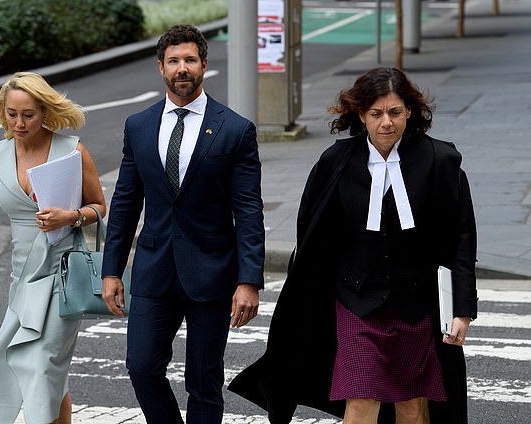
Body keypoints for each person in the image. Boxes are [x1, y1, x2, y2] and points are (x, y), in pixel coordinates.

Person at [229, 67, 478, 424]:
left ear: (410, 110)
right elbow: (311, 236)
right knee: (360, 401)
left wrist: (462, 308)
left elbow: (462, 238)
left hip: (417, 305)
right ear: (361, 115)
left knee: (412, 407)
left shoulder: (441, 162)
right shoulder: (336, 163)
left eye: (395, 112)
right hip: (356, 303)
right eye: (376, 114)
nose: (386, 123)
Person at [101, 24, 265, 423]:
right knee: (141, 368)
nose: (182, 68)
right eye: (173, 61)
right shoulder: (138, 126)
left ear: (204, 65)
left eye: (190, 60)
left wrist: (249, 281)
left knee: (203, 382)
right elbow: (125, 201)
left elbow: (248, 210)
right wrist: (111, 269)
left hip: (211, 272)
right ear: (161, 68)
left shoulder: (235, 129)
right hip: (155, 270)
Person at [0, 71, 106, 424]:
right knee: (43, 372)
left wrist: (71, 217)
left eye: (28, 114)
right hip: (22, 280)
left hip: (62, 275)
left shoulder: (72, 151)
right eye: (11, 114)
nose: (19, 122)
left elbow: (99, 207)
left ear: (45, 111)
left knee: (43, 364)